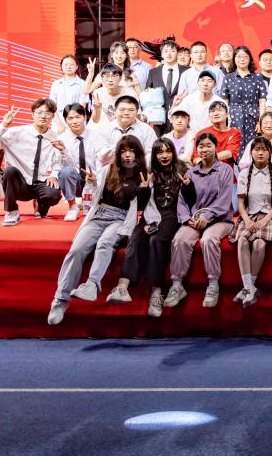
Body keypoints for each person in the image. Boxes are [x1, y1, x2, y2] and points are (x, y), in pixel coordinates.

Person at [46, 134, 150, 325]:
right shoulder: (108, 169)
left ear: (138, 153)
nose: (127, 154)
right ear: (118, 153)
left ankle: (92, 285)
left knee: (105, 243)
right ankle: (60, 300)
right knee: (76, 251)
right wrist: (93, 182)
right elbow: (91, 187)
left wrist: (145, 190)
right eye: (124, 151)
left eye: (131, 150)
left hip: (121, 219)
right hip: (98, 215)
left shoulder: (143, 174)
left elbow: (143, 207)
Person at [107, 137, 189, 317]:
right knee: (135, 238)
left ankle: (156, 292)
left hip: (171, 214)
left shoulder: (182, 169)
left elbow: (191, 201)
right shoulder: (148, 172)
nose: (164, 155)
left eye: (168, 151)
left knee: (156, 241)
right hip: (151, 212)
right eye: (160, 152)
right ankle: (122, 287)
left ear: (173, 153)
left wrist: (188, 187)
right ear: (154, 155)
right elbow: (142, 205)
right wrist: (143, 189)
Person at [165, 132, 237, 310]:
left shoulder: (225, 170)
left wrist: (208, 216)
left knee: (208, 239)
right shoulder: (190, 172)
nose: (204, 149)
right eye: (201, 146)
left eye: (208, 145)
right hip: (194, 220)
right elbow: (182, 200)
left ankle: (213, 284)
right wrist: (186, 219)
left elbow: (224, 199)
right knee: (180, 239)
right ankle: (177, 285)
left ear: (216, 147)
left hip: (219, 219)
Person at [0, 100, 65, 226]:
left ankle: (41, 204)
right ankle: (11, 210)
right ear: (32, 114)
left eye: (48, 113)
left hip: (41, 181)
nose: (43, 116)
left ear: (52, 117)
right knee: (9, 171)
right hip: (19, 183)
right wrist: (4, 125)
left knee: (53, 195)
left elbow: (58, 161)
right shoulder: (15, 132)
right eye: (39, 112)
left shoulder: (55, 137)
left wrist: (54, 174)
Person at [232, 136, 272, 307]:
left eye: (264, 149)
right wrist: (247, 220)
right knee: (242, 240)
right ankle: (249, 287)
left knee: (258, 243)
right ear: (251, 153)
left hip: (269, 216)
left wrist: (265, 220)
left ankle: (249, 287)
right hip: (249, 216)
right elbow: (241, 204)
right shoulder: (244, 174)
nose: (260, 153)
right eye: (257, 149)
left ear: (270, 152)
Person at [56, 102, 100, 222]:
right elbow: (61, 166)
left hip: (95, 180)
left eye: (77, 117)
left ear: (84, 117)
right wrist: (63, 150)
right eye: (70, 118)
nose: (74, 121)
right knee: (65, 172)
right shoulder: (61, 139)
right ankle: (72, 207)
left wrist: (97, 176)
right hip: (75, 181)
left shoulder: (96, 136)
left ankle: (95, 203)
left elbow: (103, 160)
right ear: (65, 120)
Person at [220, 45, 266, 147]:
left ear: (250, 59)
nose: (242, 59)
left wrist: (261, 121)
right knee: (234, 146)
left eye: (245, 57)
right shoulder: (228, 78)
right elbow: (224, 102)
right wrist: (225, 121)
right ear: (234, 59)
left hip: (253, 117)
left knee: (253, 146)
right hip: (234, 117)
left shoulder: (257, 77)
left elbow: (262, 101)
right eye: (239, 57)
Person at [144, 40, 185, 134]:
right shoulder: (153, 72)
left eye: (172, 51)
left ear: (177, 53)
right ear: (161, 54)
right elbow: (147, 94)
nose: (169, 54)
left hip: (180, 116)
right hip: (158, 119)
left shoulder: (186, 71)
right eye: (166, 51)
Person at [193, 100, 240, 165]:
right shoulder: (201, 133)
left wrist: (207, 159)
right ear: (209, 116)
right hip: (204, 169)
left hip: (225, 170)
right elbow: (196, 158)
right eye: (212, 111)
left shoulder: (234, 132)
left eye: (219, 110)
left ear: (227, 114)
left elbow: (229, 153)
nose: (216, 113)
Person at [49, 55, 89, 131]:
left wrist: (72, 122)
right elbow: (52, 106)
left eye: (71, 64)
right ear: (61, 67)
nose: (68, 67)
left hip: (77, 122)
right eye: (66, 64)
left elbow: (82, 105)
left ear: (77, 67)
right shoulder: (55, 84)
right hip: (59, 124)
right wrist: (59, 124)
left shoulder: (83, 84)